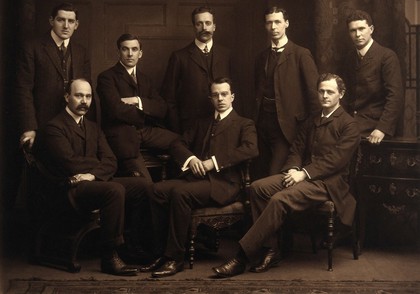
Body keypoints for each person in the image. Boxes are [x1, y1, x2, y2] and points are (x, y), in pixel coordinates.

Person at [213, 73, 360, 278]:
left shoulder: (349, 125)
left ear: (341, 94)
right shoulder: (312, 120)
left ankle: (242, 257)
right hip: (302, 176)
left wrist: (304, 173)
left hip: (329, 184)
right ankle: (271, 249)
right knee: (257, 187)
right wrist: (293, 168)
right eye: (321, 91)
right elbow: (297, 149)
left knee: (280, 199)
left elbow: (336, 161)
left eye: (330, 92)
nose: (325, 95)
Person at [140, 77, 258, 278]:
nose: (220, 98)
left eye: (224, 94)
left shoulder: (244, 124)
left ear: (232, 97)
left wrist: (214, 162)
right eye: (215, 95)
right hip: (196, 181)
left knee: (180, 193)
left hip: (224, 184)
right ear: (210, 98)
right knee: (155, 190)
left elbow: (250, 149)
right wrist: (191, 159)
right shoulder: (202, 122)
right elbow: (177, 144)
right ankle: (160, 252)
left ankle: (175, 258)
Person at [36, 78, 152, 276]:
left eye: (88, 96)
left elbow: (111, 160)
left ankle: (131, 245)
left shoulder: (93, 127)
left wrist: (92, 175)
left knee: (143, 185)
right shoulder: (54, 128)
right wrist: (98, 170)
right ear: (67, 97)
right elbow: (69, 164)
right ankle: (110, 256)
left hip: (90, 181)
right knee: (114, 190)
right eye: (79, 95)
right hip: (69, 188)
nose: (84, 101)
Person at [97, 33, 179, 178]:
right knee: (145, 183)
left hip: (146, 131)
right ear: (118, 52)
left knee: (181, 141)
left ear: (140, 53)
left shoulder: (145, 79)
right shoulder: (106, 77)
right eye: (125, 49)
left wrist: (137, 100)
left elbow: (162, 108)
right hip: (123, 135)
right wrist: (146, 112)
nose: (130, 54)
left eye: (134, 49)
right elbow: (116, 110)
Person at [254, 6, 319, 178]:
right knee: (259, 174)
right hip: (262, 125)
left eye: (277, 22)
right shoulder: (261, 57)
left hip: (288, 128)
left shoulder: (301, 54)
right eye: (269, 23)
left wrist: (309, 130)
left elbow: (314, 96)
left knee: (273, 176)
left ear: (286, 24)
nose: (273, 27)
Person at [16, 2, 91, 149]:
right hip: (42, 123)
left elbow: (87, 91)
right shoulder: (32, 48)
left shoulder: (81, 52)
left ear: (76, 24)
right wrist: (29, 127)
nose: (66, 26)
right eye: (61, 20)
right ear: (51, 21)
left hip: (72, 124)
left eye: (71, 21)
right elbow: (23, 90)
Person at [161, 6, 231, 133]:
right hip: (190, 128)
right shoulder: (179, 57)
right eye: (199, 24)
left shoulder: (227, 55)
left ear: (214, 26)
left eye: (208, 23)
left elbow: (237, 93)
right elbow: (168, 97)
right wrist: (177, 129)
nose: (204, 28)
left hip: (224, 126)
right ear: (194, 27)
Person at [341, 9, 404, 144]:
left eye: (361, 29)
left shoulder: (386, 56)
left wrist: (382, 129)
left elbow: (395, 96)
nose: (358, 34)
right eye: (353, 30)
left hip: (375, 125)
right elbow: (346, 95)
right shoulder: (349, 58)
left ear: (371, 29)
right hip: (352, 122)